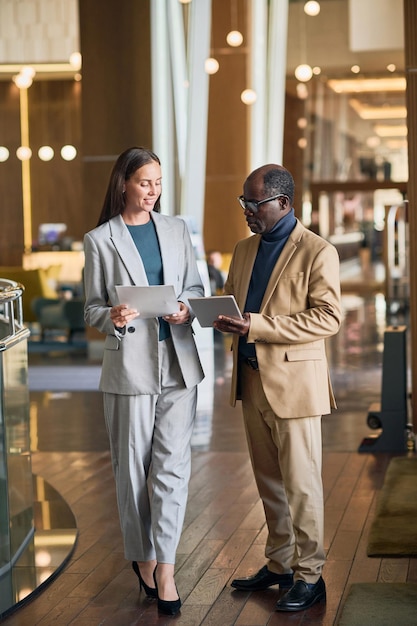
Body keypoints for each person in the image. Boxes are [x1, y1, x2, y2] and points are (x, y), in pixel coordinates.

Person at [213, 164, 342, 612]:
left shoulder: (317, 251)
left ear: (283, 204)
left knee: (301, 484)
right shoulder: (244, 249)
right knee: (269, 482)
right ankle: (281, 564)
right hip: (251, 380)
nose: (247, 211)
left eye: (255, 203)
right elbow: (232, 296)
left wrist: (256, 325)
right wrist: (212, 311)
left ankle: (312, 575)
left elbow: (328, 317)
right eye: (244, 203)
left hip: (294, 386)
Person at [83, 146, 204, 616]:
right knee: (132, 471)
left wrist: (186, 307)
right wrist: (110, 315)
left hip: (178, 360)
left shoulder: (176, 230)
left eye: (157, 183)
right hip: (129, 366)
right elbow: (91, 307)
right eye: (144, 183)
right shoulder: (100, 240)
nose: (152, 191)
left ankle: (168, 567)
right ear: (124, 184)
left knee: (172, 468)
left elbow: (193, 287)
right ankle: (143, 555)